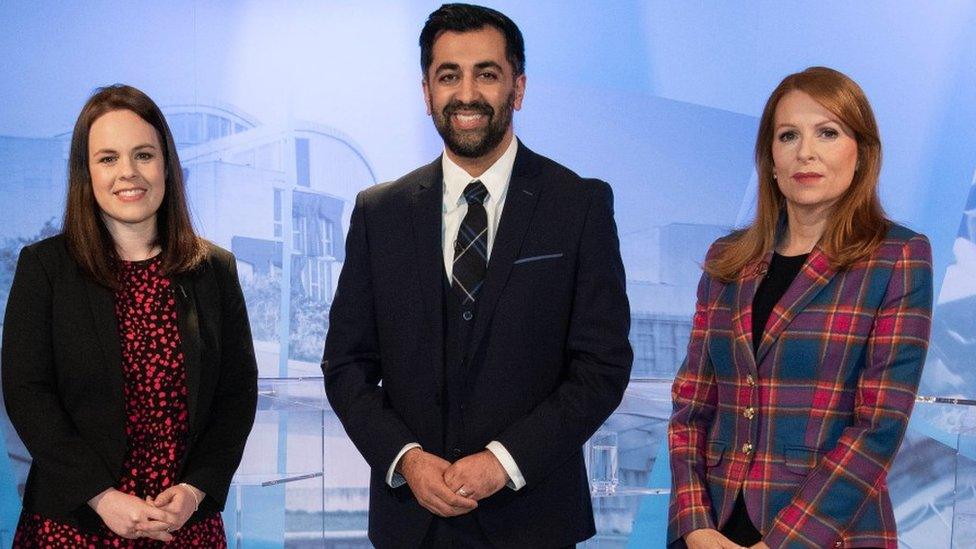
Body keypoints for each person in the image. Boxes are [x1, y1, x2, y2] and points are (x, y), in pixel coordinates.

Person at [322, 3, 633, 547]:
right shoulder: (379, 213)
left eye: (486, 73)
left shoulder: (579, 205)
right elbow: (346, 365)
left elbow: (601, 365)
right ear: (426, 92)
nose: (467, 93)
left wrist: (502, 462)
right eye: (449, 75)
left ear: (518, 87)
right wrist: (407, 460)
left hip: (534, 520)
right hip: (410, 522)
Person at [667, 66, 933, 549]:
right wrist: (695, 526)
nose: (805, 152)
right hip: (715, 531)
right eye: (788, 135)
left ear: (862, 153)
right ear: (770, 158)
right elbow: (691, 410)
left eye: (827, 133)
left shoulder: (898, 256)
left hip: (827, 535)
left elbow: (878, 427)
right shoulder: (727, 261)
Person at [2, 84, 258, 547]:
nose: (128, 173)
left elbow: (236, 395)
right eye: (108, 158)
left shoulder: (214, 271)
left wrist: (196, 489)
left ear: (167, 165)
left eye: (143, 155)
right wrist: (100, 497)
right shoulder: (45, 268)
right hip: (73, 527)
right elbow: (27, 393)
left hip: (184, 528)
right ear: (87, 173)